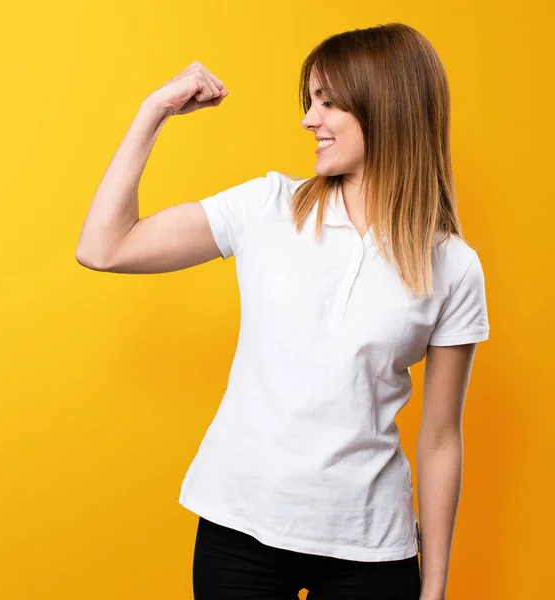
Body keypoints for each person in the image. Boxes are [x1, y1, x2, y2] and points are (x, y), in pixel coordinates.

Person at [76, 22, 489, 600]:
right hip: (239, 534)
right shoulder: (267, 207)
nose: (308, 119)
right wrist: (154, 111)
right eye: (309, 100)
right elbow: (103, 247)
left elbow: (442, 437)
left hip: (369, 549)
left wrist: (435, 587)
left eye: (328, 102)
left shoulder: (453, 266)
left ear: (386, 106)